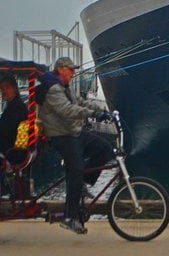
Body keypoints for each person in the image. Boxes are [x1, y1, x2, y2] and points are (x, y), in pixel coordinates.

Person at [37, 57, 114, 235]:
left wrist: (103, 111)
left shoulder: (65, 87)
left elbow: (80, 102)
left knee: (104, 148)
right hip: (61, 135)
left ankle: (83, 184)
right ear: (60, 69)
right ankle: (69, 218)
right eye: (70, 70)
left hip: (73, 133)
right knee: (75, 171)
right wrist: (92, 114)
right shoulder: (53, 89)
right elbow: (68, 110)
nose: (73, 73)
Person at [0, 76, 28, 153]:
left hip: (8, 151)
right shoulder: (14, 106)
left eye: (7, 87)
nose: (4, 91)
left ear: (14, 89)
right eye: (2, 89)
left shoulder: (16, 107)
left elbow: (5, 128)